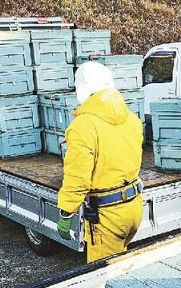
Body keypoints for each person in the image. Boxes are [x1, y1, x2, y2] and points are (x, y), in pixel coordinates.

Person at [57, 62, 144, 263]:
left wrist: (66, 212)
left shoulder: (83, 126)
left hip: (107, 215)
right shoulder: (131, 118)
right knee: (122, 262)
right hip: (133, 207)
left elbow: (78, 178)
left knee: (104, 275)